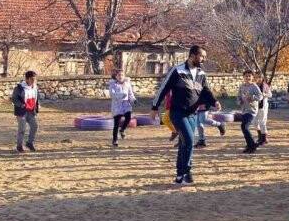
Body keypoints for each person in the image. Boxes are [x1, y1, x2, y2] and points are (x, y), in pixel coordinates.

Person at [151, 45, 220, 185]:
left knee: (184, 143)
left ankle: (179, 175)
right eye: (202, 56)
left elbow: (206, 91)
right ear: (193, 55)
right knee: (189, 141)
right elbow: (163, 88)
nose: (203, 59)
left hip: (193, 114)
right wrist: (154, 107)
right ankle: (187, 171)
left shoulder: (201, 73)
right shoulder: (177, 70)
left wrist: (215, 101)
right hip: (177, 113)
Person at [12, 70, 40, 153]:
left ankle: (29, 143)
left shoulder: (35, 87)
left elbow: (36, 98)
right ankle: (19, 146)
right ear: (27, 79)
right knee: (22, 129)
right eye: (32, 79)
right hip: (22, 111)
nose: (33, 81)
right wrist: (21, 105)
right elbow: (14, 99)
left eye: (34, 79)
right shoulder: (19, 88)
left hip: (31, 111)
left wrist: (37, 107)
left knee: (34, 126)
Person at [237, 70, 263, 153]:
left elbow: (260, 96)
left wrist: (252, 98)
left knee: (244, 126)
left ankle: (252, 145)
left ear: (252, 77)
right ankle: (250, 145)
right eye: (246, 76)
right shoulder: (242, 86)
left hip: (252, 110)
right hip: (244, 110)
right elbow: (238, 97)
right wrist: (239, 101)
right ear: (243, 77)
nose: (248, 77)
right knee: (243, 127)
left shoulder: (254, 86)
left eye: (249, 76)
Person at [109, 68, 136, 147]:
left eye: (122, 75)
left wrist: (134, 100)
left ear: (124, 76)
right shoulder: (113, 85)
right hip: (117, 105)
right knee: (116, 124)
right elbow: (112, 95)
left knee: (128, 117)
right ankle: (115, 140)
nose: (120, 76)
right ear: (116, 76)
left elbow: (130, 94)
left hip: (126, 104)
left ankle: (122, 130)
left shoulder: (127, 84)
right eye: (119, 75)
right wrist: (121, 95)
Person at [254, 73, 272, 145]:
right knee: (255, 122)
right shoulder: (254, 86)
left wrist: (264, 95)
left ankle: (264, 138)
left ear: (262, 78)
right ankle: (260, 136)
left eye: (259, 77)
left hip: (263, 106)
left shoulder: (265, 86)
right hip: (255, 106)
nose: (258, 79)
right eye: (256, 77)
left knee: (262, 122)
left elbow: (270, 95)